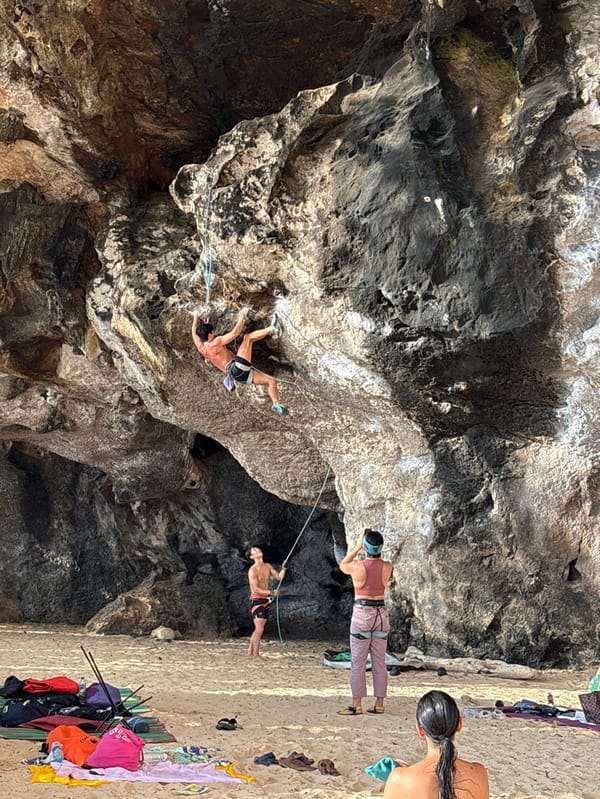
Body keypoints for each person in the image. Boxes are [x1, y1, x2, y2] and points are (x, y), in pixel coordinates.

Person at [383, 690, 489, 799]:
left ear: (420, 730)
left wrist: (407, 772)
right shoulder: (479, 773)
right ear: (460, 724)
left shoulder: (399, 779)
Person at [191, 307, 288, 415]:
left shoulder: (201, 348)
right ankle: (273, 329)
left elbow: (194, 334)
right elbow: (234, 334)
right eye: (212, 332)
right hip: (237, 367)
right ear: (209, 335)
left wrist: (195, 317)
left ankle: (276, 404)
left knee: (271, 381)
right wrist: (242, 316)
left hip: (238, 377)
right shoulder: (215, 342)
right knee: (248, 338)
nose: (213, 333)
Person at [337, 528, 393, 715]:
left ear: (366, 547)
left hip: (362, 614)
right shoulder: (388, 567)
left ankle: (356, 704)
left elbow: (343, 564)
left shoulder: (358, 567)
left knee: (358, 662)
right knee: (379, 661)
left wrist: (357, 546)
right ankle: (379, 703)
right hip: (381, 614)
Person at [247, 546, 286, 659]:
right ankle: (255, 654)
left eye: (258, 549)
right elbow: (255, 589)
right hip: (256, 600)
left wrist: (283, 569)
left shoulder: (267, 566)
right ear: (252, 557)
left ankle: (250, 652)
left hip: (266, 600)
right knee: (259, 628)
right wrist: (272, 592)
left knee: (259, 627)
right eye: (254, 551)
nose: (257, 551)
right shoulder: (252, 570)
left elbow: (278, 577)